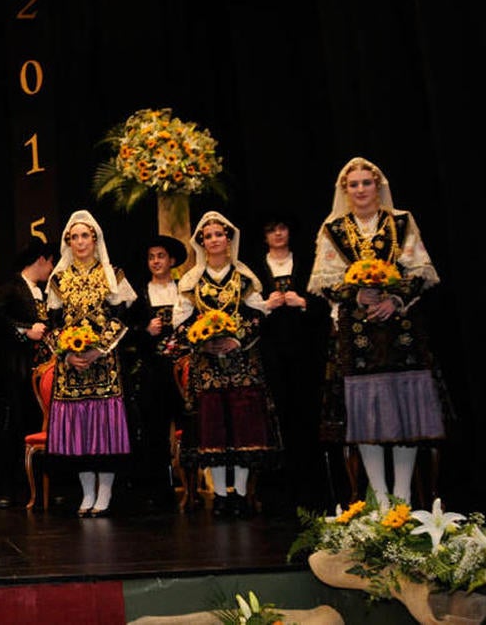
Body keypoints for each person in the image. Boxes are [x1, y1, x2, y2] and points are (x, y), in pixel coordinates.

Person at [306, 156, 445, 510]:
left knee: (404, 413)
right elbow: (325, 280)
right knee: (365, 415)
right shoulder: (333, 230)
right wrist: (357, 293)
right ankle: (379, 498)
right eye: (353, 185)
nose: (360, 190)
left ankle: (403, 497)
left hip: (401, 328)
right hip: (357, 332)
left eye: (366, 183)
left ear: (378, 186)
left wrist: (395, 299)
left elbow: (420, 270)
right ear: (345, 190)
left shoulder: (401, 222)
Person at [173, 211, 282, 518]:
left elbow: (258, 316)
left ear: (229, 239)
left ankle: (242, 495)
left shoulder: (245, 278)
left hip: (242, 363)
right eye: (208, 236)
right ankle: (221, 496)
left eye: (219, 234)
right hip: (207, 367)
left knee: (244, 427)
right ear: (201, 242)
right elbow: (181, 323)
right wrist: (203, 340)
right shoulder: (191, 281)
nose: (214, 240)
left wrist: (236, 339)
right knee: (213, 430)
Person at [44, 210, 136, 518]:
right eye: (74, 237)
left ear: (95, 240)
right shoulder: (58, 279)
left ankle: (106, 492)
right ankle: (86, 494)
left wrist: (98, 350)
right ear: (67, 242)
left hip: (104, 363)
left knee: (105, 432)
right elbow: (52, 323)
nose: (80, 241)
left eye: (85, 235)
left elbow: (122, 317)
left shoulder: (112, 274)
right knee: (79, 435)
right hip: (70, 367)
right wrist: (67, 353)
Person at [251, 212, 330, 512]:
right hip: (271, 353)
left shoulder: (309, 264)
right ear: (265, 236)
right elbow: (246, 310)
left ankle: (312, 491)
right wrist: (265, 307)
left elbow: (324, 305)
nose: (278, 234)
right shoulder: (256, 270)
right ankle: (278, 493)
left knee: (305, 417)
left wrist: (304, 303)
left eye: (282, 228)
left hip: (305, 352)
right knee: (276, 418)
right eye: (272, 229)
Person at [0, 238, 56, 509]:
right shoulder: (12, 288)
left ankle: (39, 487)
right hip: (15, 371)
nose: (52, 268)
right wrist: (25, 330)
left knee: (40, 426)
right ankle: (7, 488)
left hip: (41, 372)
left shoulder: (44, 292)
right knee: (12, 429)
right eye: (51, 262)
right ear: (41, 260)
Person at [124, 234, 189, 513]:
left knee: (190, 429)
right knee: (153, 433)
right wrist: (145, 332)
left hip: (183, 370)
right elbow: (126, 334)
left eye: (161, 256)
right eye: (152, 257)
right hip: (152, 372)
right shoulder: (138, 295)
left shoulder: (185, 290)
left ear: (172, 260)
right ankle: (159, 492)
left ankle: (193, 489)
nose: (156, 261)